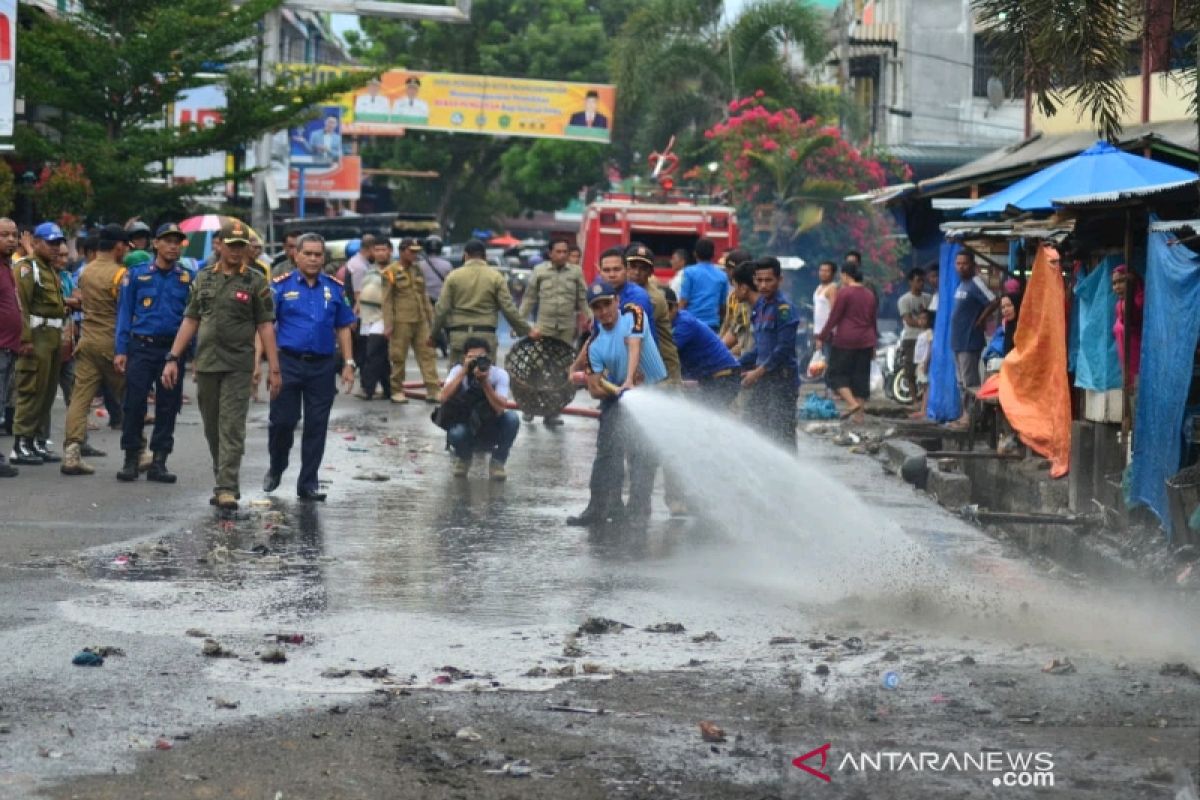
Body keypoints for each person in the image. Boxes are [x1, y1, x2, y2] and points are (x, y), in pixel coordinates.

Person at [161, 218, 280, 510]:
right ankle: (222, 476)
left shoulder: (255, 280)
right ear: (220, 246)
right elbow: (191, 319)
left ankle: (227, 486)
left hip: (238, 364)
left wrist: (273, 369)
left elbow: (265, 326)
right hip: (207, 364)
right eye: (232, 246)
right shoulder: (203, 278)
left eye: (242, 246)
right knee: (212, 426)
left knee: (232, 426)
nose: (237, 251)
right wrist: (173, 358)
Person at [263, 233, 356, 502]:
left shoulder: (335, 288)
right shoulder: (279, 287)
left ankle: (308, 483)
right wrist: (270, 365)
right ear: (296, 255)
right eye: (308, 254)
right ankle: (277, 465)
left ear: (324, 257)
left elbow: (343, 327)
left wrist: (348, 363)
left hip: (322, 366)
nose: (314, 259)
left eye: (318, 254)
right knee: (282, 422)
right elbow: (266, 326)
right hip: (288, 363)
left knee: (317, 425)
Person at [566, 281, 667, 526]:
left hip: (651, 391)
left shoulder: (633, 313)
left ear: (617, 302)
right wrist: (609, 391)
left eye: (607, 304)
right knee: (606, 453)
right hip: (617, 397)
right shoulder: (596, 345)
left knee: (642, 454)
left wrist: (629, 380)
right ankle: (598, 509)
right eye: (597, 307)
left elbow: (634, 344)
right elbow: (594, 388)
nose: (604, 311)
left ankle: (638, 512)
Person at [113, 222, 194, 483]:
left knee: (168, 405)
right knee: (135, 403)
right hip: (142, 346)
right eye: (167, 240)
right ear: (155, 244)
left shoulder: (186, 277)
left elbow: (192, 318)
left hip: (172, 350)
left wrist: (187, 353)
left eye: (177, 241)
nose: (172, 246)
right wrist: (120, 349)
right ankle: (131, 457)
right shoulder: (136, 275)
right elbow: (124, 313)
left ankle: (160, 459)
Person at [60, 225, 129, 476]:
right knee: (129, 397)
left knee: (79, 400)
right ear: (119, 246)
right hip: (112, 343)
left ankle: (71, 454)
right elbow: (125, 310)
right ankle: (140, 450)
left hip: (86, 341)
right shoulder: (121, 274)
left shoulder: (85, 271)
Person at [10, 222, 69, 466]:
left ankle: (36, 440)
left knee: (47, 392)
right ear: (35, 242)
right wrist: (24, 339)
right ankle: (21, 443)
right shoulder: (27, 268)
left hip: (52, 335)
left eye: (58, 243)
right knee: (31, 390)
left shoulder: (49, 269)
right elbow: (20, 305)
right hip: (36, 336)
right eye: (51, 243)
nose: (57, 248)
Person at [519, 237, 588, 425]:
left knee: (561, 370)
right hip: (544, 327)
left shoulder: (575, 272)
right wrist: (519, 323)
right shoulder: (539, 271)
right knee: (536, 366)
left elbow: (583, 298)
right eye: (558, 252)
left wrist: (591, 319)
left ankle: (553, 411)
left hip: (566, 329)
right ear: (550, 253)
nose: (563, 255)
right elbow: (529, 298)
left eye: (565, 252)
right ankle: (530, 406)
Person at [432, 239, 531, 364]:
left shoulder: (453, 276)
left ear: (465, 255)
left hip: (459, 336)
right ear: (485, 256)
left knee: (457, 377)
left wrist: (433, 335)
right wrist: (526, 330)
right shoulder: (496, 277)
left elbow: (442, 309)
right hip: (485, 337)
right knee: (485, 377)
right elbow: (508, 308)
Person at [436, 337, 520, 480]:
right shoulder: (457, 371)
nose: (476, 362)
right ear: (465, 357)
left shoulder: (499, 374)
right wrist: (463, 371)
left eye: (480, 358)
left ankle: (497, 462)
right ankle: (464, 458)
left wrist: (485, 383)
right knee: (456, 433)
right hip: (466, 424)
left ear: (489, 358)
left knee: (512, 418)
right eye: (471, 357)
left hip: (490, 425)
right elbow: (442, 398)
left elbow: (500, 408)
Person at [740, 257, 800, 449]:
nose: (763, 285)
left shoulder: (784, 309)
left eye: (769, 280)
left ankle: (790, 476)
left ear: (779, 280)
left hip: (782, 382)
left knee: (782, 434)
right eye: (759, 280)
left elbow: (783, 348)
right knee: (753, 425)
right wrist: (734, 364)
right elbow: (760, 347)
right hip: (763, 381)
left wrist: (757, 372)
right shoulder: (759, 307)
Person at [816, 262, 877, 423]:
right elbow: (873, 321)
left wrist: (821, 336)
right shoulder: (869, 294)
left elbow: (834, 317)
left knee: (835, 374)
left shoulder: (845, 292)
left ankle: (852, 404)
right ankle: (859, 418)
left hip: (846, 339)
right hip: (866, 340)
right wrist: (874, 343)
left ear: (844, 275)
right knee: (861, 378)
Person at [382, 238, 440, 405]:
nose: (415, 254)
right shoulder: (390, 271)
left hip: (420, 319)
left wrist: (431, 319)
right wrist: (388, 324)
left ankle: (433, 390)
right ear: (402, 251)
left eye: (416, 251)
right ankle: (397, 390)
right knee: (398, 356)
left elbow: (424, 296)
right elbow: (387, 300)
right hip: (401, 320)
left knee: (427, 355)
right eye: (411, 251)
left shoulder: (417, 270)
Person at [666, 287, 741, 408]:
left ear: (675, 307)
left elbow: (666, 354)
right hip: (708, 378)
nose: (659, 314)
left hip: (723, 376)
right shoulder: (673, 322)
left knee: (710, 416)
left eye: (664, 309)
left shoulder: (684, 323)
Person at [949, 250, 998, 428]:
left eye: (965, 263)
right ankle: (965, 416)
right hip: (958, 340)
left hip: (970, 341)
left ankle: (970, 418)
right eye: (958, 263)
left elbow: (994, 301)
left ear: (973, 265)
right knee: (961, 382)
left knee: (970, 383)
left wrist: (980, 320)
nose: (961, 267)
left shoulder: (976, 282)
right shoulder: (962, 284)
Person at [353, 249, 390, 400]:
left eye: (383, 249)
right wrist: (357, 308)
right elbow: (362, 292)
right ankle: (389, 389)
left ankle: (368, 389)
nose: (380, 253)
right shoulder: (369, 271)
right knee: (379, 356)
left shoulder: (393, 271)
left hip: (381, 317)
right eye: (377, 249)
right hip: (367, 317)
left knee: (373, 354)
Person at [0, 218, 21, 476]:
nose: (11, 240)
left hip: (8, 347)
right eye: (4, 235)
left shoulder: (7, 266)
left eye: (14, 235)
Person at [679, 237, 727, 331]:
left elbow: (683, 301)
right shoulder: (722, 276)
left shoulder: (689, 272)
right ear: (713, 254)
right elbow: (723, 306)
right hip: (712, 325)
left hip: (691, 323)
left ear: (695, 254)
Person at [897, 267, 930, 400]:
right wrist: (923, 322)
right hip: (911, 338)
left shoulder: (928, 298)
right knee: (910, 369)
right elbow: (908, 320)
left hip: (927, 338)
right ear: (910, 282)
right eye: (918, 281)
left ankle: (924, 399)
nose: (921, 284)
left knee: (925, 370)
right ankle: (913, 399)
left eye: (922, 281)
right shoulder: (904, 300)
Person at [720, 256, 757, 358]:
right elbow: (731, 333)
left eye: (735, 286)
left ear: (744, 288)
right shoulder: (742, 306)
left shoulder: (765, 311)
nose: (734, 292)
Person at [983, 293, 1021, 372]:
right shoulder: (1008, 327)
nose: (1005, 310)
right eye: (1003, 307)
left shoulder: (1025, 327)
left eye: (1009, 305)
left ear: (1017, 305)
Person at [911, 309, 934, 420]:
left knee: (926, 388)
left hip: (924, 363)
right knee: (923, 388)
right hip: (919, 363)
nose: (921, 321)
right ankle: (923, 409)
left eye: (924, 319)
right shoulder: (922, 333)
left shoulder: (929, 332)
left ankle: (923, 411)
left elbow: (930, 347)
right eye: (919, 318)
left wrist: (926, 362)